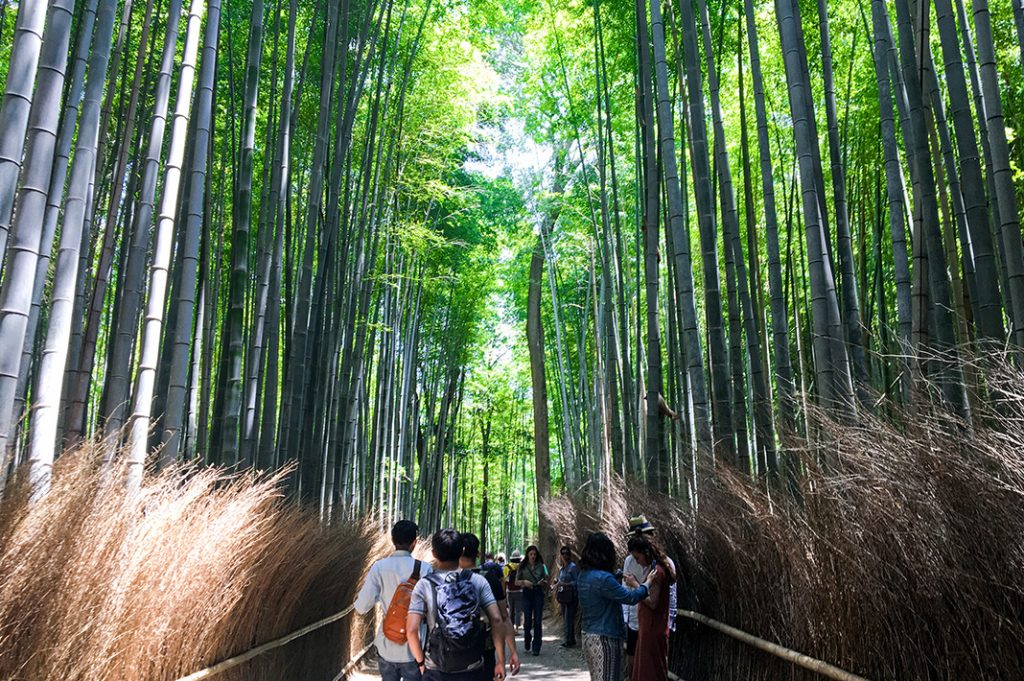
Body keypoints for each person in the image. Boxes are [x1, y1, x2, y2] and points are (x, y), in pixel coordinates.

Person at [407, 529, 507, 681]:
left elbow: (412, 629)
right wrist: (500, 660)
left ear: (433, 553)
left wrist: (421, 662)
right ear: (461, 551)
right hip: (472, 666)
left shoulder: (424, 585)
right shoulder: (478, 581)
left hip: (436, 667)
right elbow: (497, 619)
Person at [355, 520, 434, 681]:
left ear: (392, 540)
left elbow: (362, 606)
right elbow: (432, 610)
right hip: (415, 647)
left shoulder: (379, 567)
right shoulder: (425, 569)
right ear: (414, 543)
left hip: (387, 645)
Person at [576, 532, 654, 681]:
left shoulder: (584, 575)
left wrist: (617, 575)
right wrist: (647, 583)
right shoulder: (603, 579)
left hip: (588, 636)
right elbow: (630, 597)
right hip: (605, 639)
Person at [622, 515, 677, 679]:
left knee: (650, 671)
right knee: (640, 668)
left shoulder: (659, 570)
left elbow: (655, 602)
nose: (637, 562)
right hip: (640, 623)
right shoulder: (634, 563)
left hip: (653, 628)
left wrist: (637, 585)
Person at [460, 534, 521, 680]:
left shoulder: (448, 579)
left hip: (454, 648)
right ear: (478, 553)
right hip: (485, 644)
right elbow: (503, 617)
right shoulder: (489, 578)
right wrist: (510, 654)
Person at [515, 545, 548, 656]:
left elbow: (546, 578)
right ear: (527, 555)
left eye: (534, 554)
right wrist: (524, 582)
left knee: (538, 621)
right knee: (528, 620)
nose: (533, 556)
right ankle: (527, 638)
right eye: (531, 554)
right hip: (527, 594)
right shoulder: (523, 566)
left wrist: (543, 582)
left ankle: (536, 647)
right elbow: (516, 582)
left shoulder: (542, 566)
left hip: (538, 593)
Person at [551, 545, 580, 648]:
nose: (565, 555)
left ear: (570, 555)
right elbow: (559, 580)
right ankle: (569, 639)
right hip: (563, 596)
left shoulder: (573, 567)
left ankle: (569, 640)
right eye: (563, 553)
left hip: (571, 596)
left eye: (566, 553)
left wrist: (566, 584)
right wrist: (556, 583)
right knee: (566, 618)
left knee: (569, 618)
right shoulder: (562, 568)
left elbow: (578, 581)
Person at [504, 551, 523, 634]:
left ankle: (511, 628)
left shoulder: (507, 567)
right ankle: (517, 628)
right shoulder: (522, 567)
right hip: (519, 591)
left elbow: (505, 580)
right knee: (518, 610)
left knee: (511, 610)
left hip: (509, 591)